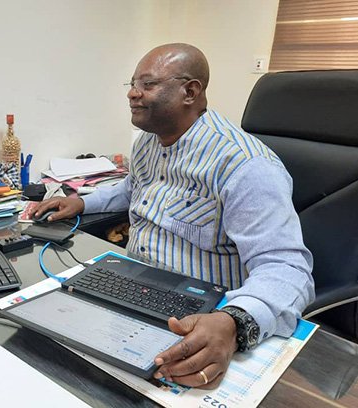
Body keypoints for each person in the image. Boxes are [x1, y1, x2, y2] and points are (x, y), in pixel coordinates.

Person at [29, 43, 315, 388]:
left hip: (203, 319)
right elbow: (133, 188)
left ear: (190, 91)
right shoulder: (149, 141)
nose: (133, 94)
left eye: (147, 85)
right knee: (43, 352)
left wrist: (234, 321)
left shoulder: (246, 166)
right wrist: (82, 202)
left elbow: (288, 268)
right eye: (132, 84)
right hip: (136, 291)